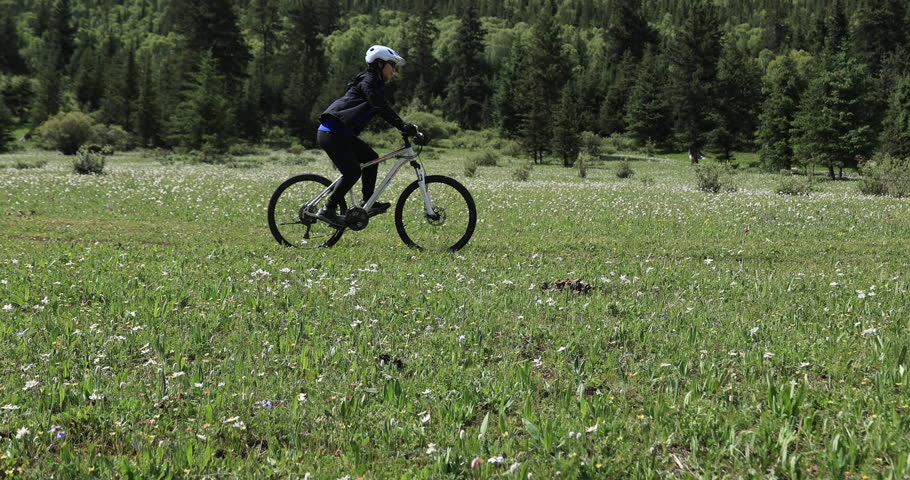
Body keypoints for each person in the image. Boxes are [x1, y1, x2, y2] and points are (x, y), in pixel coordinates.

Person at [315, 45, 418, 226]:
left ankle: (367, 202)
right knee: (353, 171)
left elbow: (379, 107)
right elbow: (379, 106)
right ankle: (328, 209)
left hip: (341, 133)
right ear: (379, 64)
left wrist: (404, 126)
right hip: (331, 133)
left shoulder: (374, 82)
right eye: (391, 65)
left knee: (371, 158)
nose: (394, 69)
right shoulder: (368, 81)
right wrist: (402, 125)